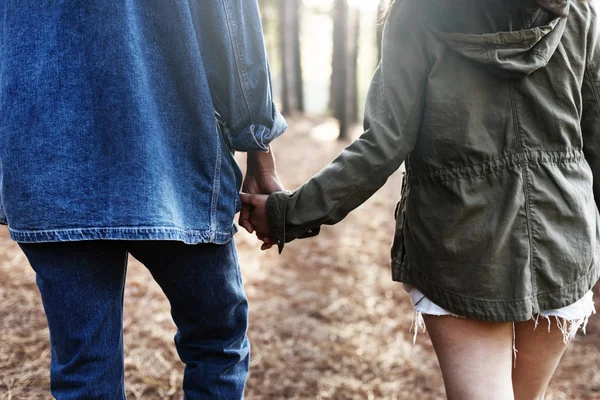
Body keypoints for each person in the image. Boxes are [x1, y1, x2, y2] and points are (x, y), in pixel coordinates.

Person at [241, 0, 600, 398]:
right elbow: (595, 135)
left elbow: (384, 143)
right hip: (564, 238)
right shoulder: (577, 9)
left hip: (462, 243)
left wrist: (288, 212)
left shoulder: (421, 11)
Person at [0, 1, 285, 399]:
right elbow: (231, 19)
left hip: (45, 153)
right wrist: (257, 143)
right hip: (172, 154)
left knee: (84, 369)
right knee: (215, 341)